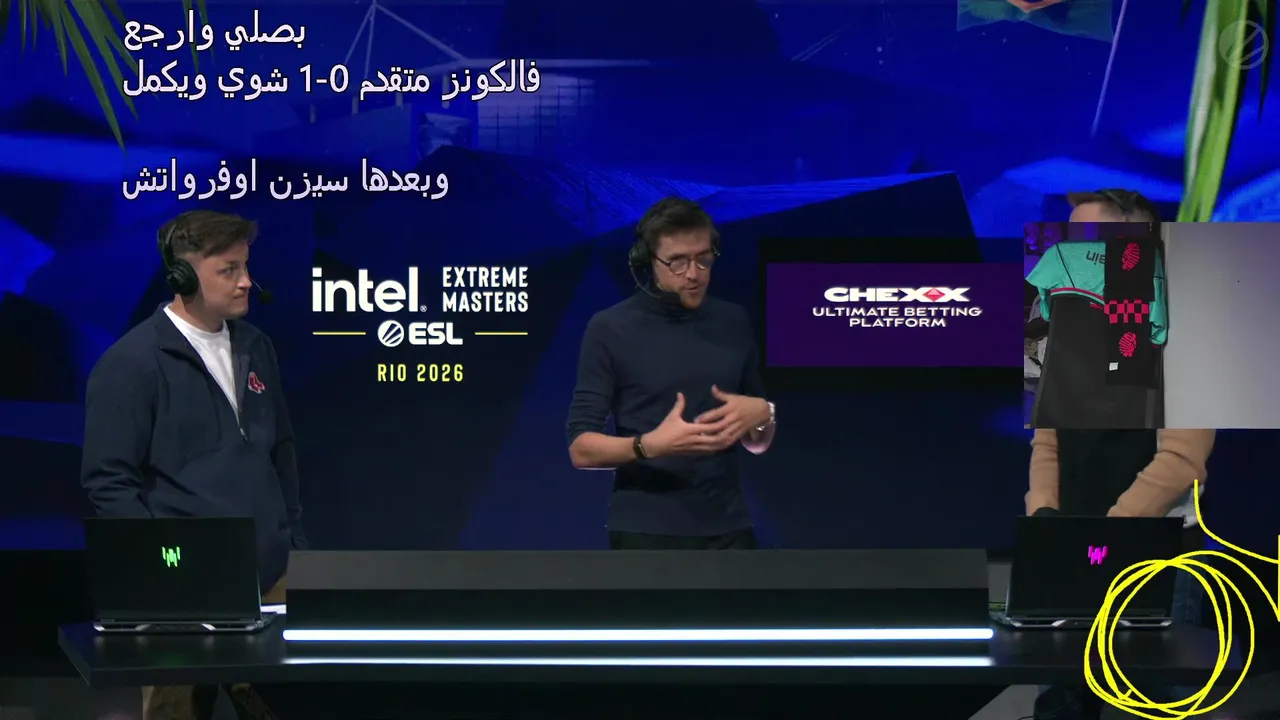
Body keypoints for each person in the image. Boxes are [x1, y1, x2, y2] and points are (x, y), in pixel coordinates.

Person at [80, 210, 306, 720]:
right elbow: (108, 480)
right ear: (183, 277)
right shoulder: (131, 363)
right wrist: (161, 567)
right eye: (229, 270)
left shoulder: (256, 347)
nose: (246, 281)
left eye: (245, 266)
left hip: (269, 576)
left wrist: (291, 540)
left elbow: (281, 451)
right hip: (181, 589)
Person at [1024, 190, 1213, 720]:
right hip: (1072, 551)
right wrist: (1045, 519)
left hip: (1159, 559)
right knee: (1062, 705)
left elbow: (1182, 460)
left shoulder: (1185, 330)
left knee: (1158, 704)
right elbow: (1047, 442)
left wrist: (1108, 535)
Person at [565, 197, 775, 550]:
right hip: (645, 532)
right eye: (677, 261)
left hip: (730, 530)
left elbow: (757, 442)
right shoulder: (610, 328)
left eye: (703, 259)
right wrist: (651, 445)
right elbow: (581, 450)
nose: (693, 273)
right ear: (647, 261)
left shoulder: (733, 321)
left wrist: (765, 413)